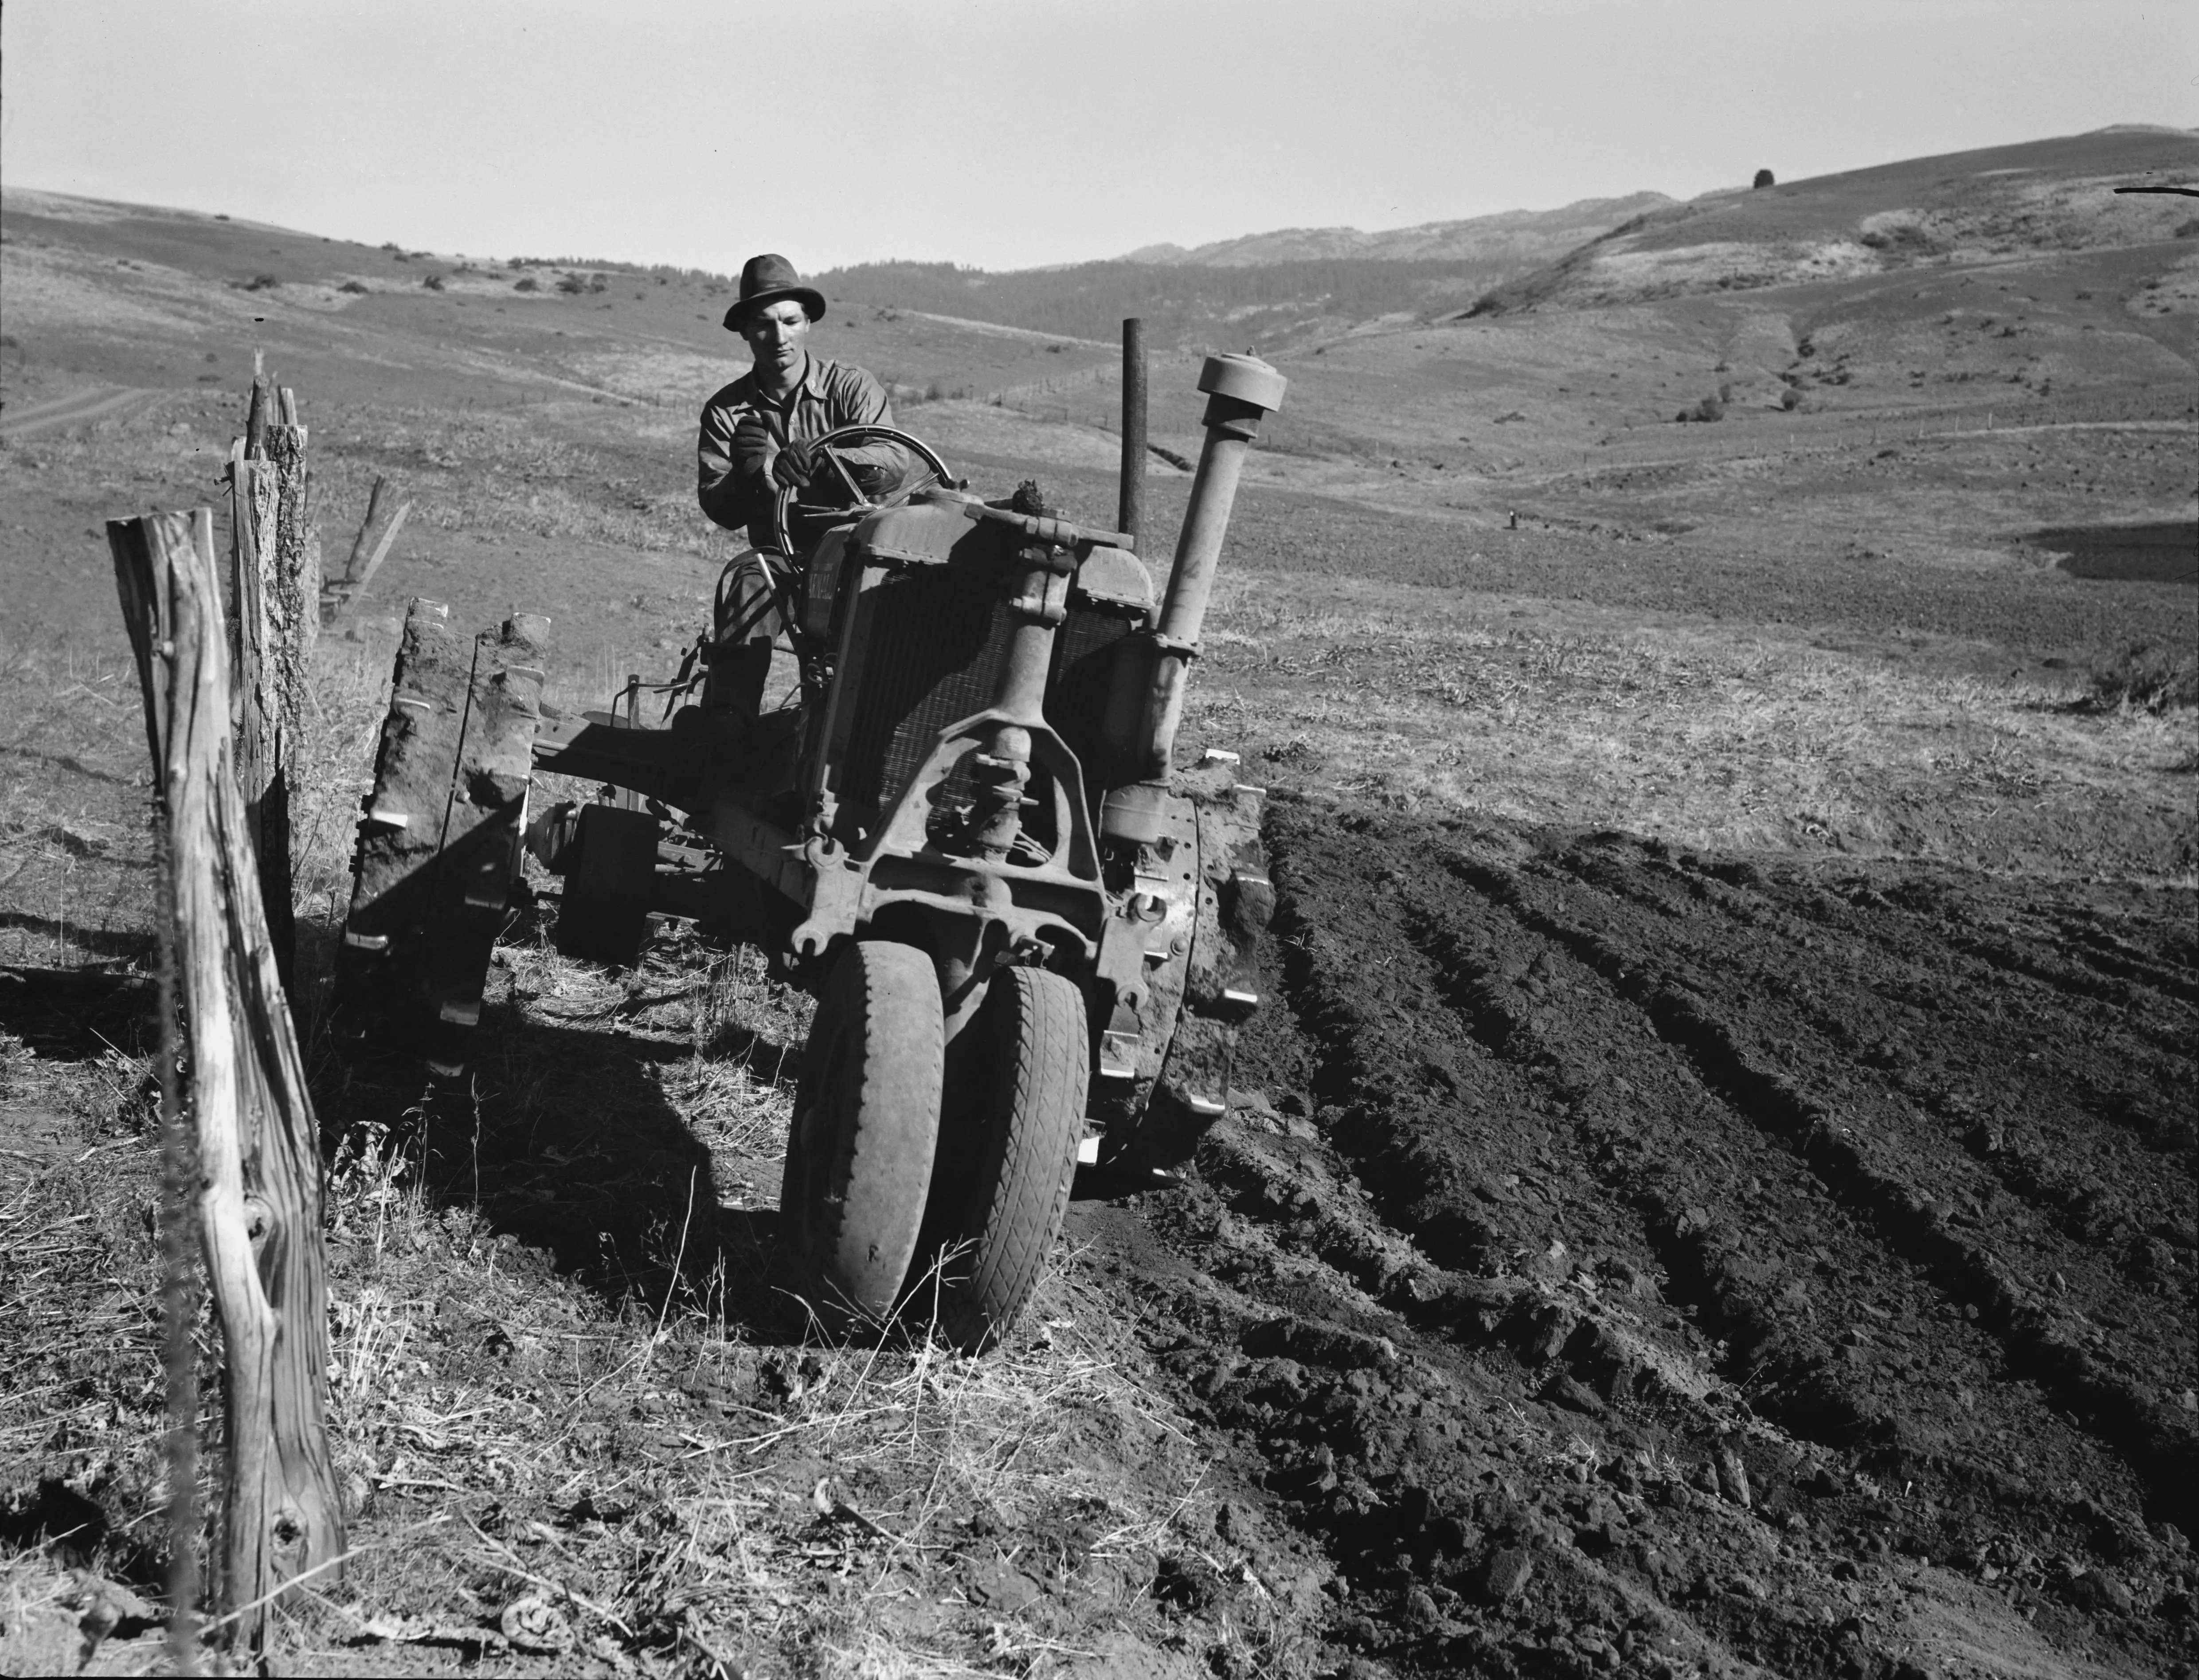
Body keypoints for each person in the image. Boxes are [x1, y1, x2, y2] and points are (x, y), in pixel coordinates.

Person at [696, 253, 906, 723]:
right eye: (765, 324)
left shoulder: (852, 388)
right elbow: (720, 506)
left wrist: (825, 464)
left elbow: (894, 463)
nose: (779, 337)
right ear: (746, 331)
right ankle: (728, 731)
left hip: (857, 551)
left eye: (790, 321)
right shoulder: (725, 413)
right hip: (779, 559)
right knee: (747, 582)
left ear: (807, 322)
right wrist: (745, 476)